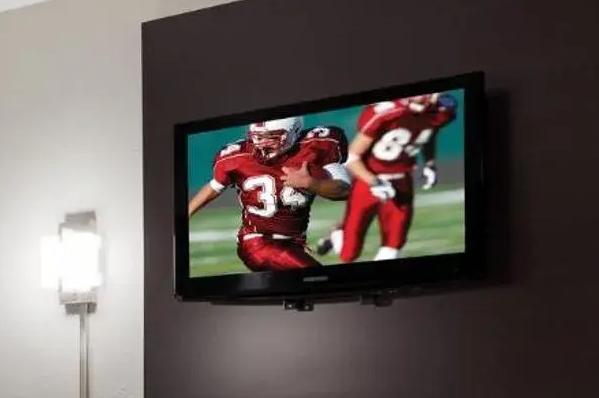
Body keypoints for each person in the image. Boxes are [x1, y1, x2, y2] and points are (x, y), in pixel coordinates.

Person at [185, 118, 352, 271]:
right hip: (257, 242)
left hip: (294, 242)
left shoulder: (318, 145)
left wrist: (310, 184)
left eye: (271, 137)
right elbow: (214, 186)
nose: (261, 144)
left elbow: (344, 190)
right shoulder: (237, 157)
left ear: (293, 132)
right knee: (316, 278)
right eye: (257, 137)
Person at [317, 92, 456, 262]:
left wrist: (429, 163)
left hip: (402, 180)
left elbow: (428, 133)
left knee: (394, 247)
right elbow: (352, 157)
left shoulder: (441, 112)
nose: (423, 97)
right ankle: (338, 234)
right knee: (349, 255)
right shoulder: (385, 112)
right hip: (368, 180)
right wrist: (374, 182)